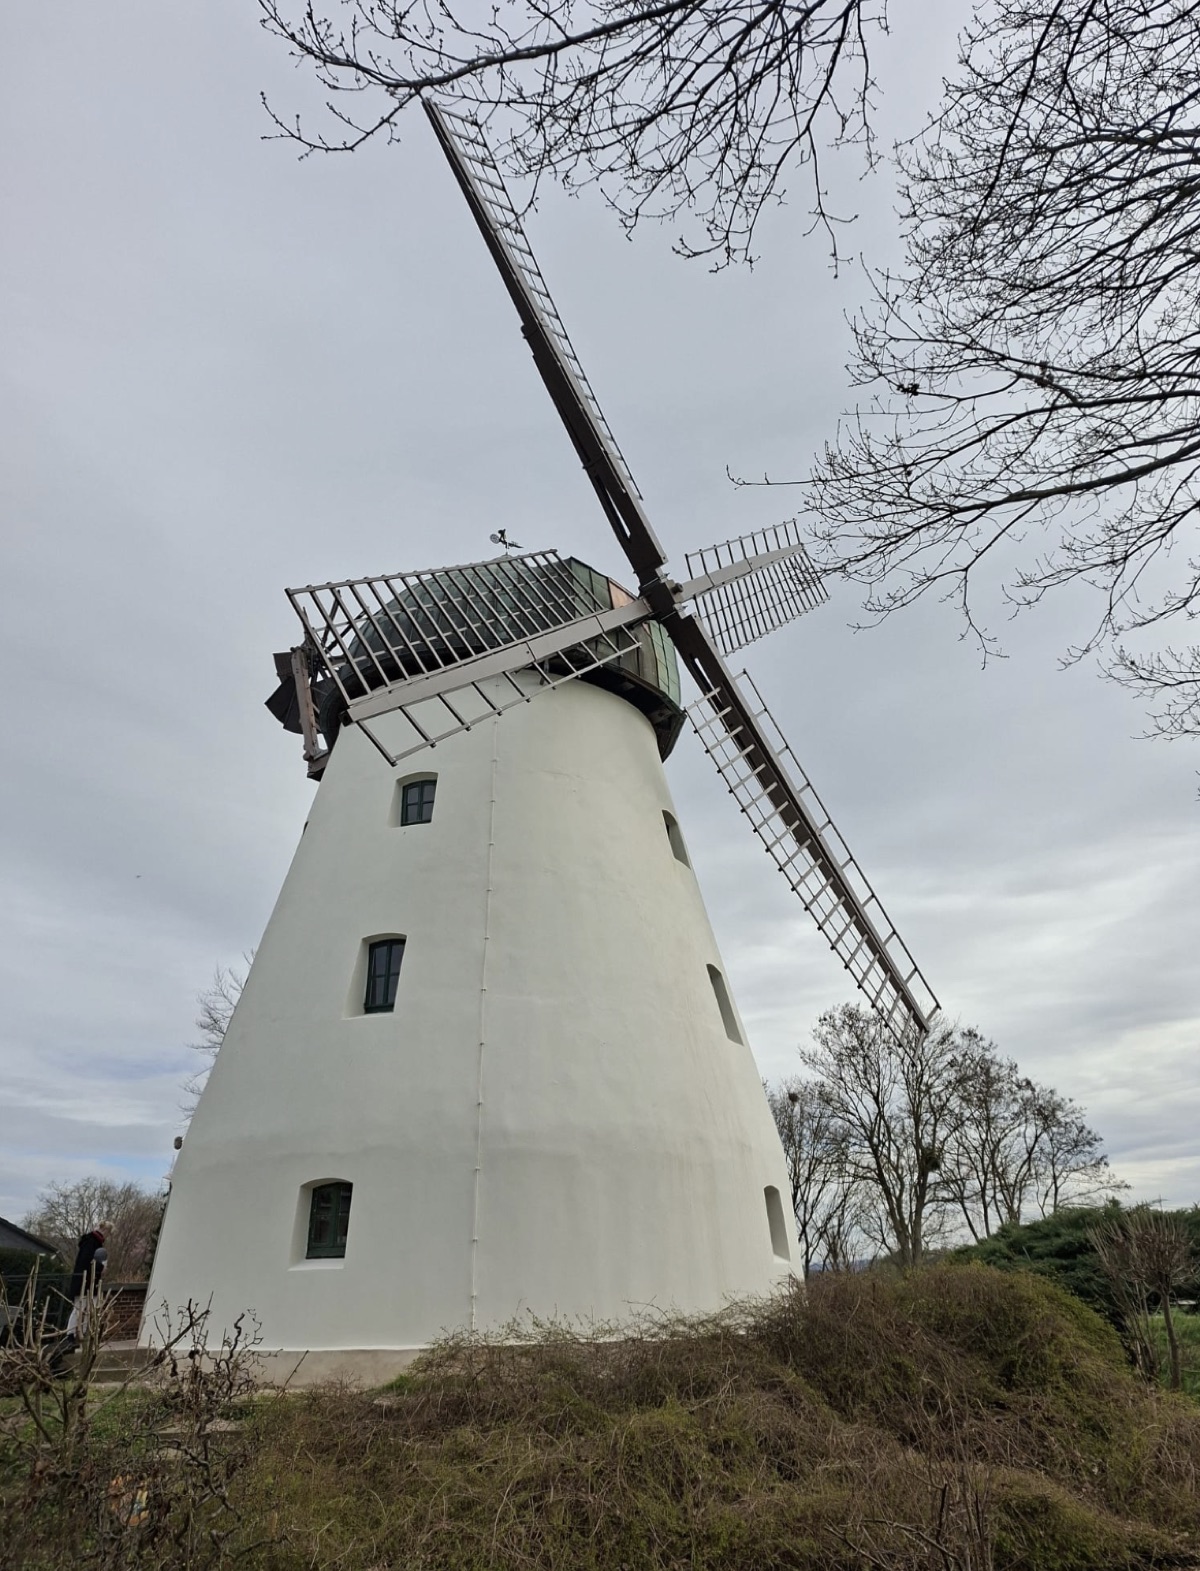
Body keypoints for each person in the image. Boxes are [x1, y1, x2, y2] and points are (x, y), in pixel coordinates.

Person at [64, 1221, 111, 1341]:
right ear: (105, 1231)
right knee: (80, 1308)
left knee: (90, 1307)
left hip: (89, 1281)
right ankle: (71, 1334)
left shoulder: (92, 1243)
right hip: (84, 1282)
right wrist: (101, 1268)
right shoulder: (91, 1243)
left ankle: (84, 1332)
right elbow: (87, 1261)